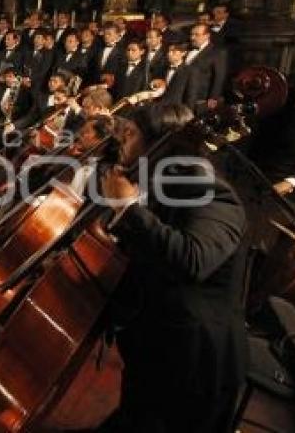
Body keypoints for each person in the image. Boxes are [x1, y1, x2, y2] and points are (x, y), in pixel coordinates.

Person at [100, 104, 247, 433]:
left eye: (130, 132)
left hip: (193, 365)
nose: (120, 139)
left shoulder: (213, 191)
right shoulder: (154, 183)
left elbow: (193, 260)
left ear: (162, 141)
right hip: (153, 347)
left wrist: (128, 210)